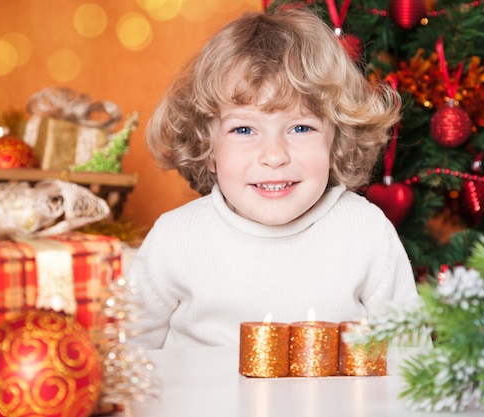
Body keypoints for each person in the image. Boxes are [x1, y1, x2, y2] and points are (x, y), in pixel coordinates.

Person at [128, 7, 418, 348]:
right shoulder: (175, 239)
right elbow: (128, 354)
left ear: (336, 140)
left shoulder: (366, 232)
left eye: (300, 127)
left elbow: (409, 363)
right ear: (207, 147)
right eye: (244, 129)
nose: (274, 155)